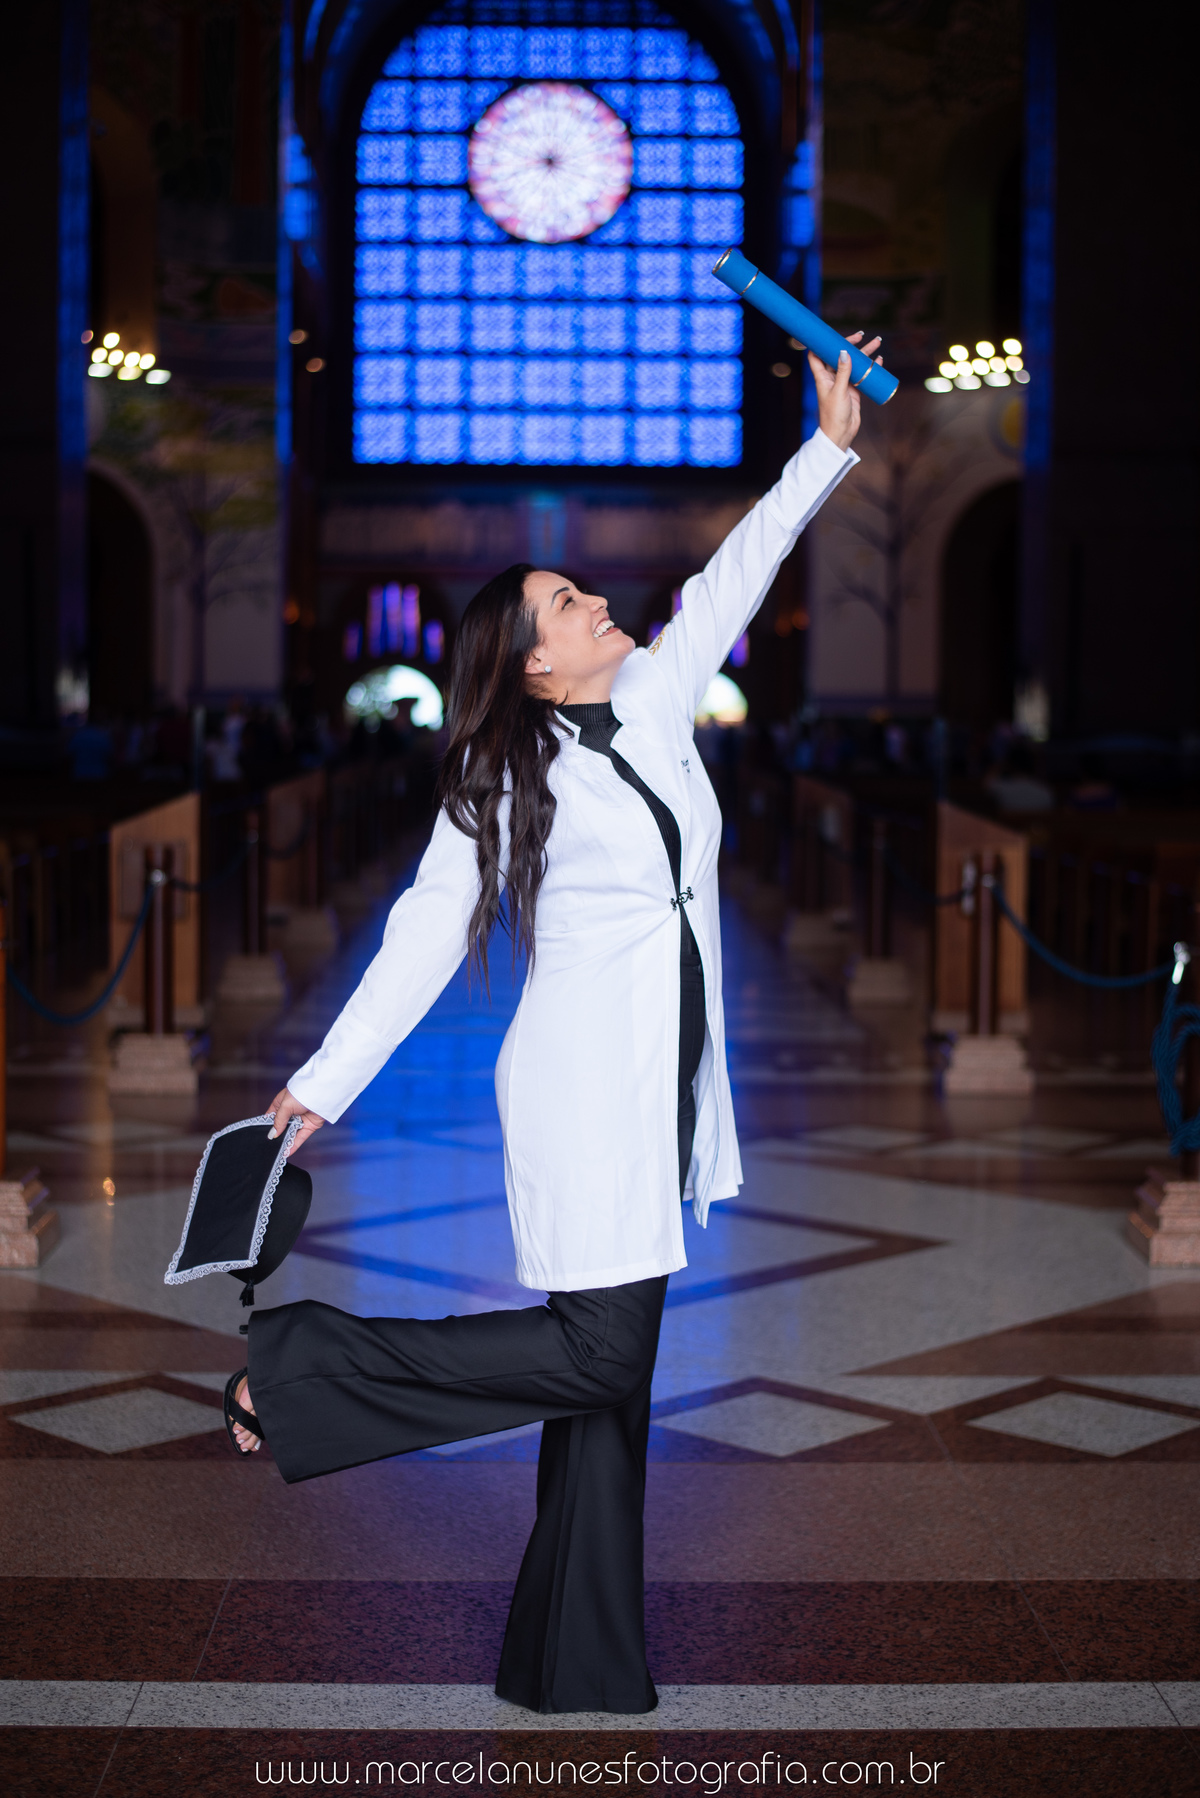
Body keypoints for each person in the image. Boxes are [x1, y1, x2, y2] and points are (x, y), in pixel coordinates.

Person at [224, 340, 876, 1714]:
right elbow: (421, 935)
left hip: (663, 1083)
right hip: (580, 1093)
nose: (600, 604)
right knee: (600, 1355)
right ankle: (301, 1367)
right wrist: (322, 1084)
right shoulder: (493, 779)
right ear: (531, 664)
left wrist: (824, 444)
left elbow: (737, 570)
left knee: (607, 1397)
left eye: (586, 593)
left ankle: (571, 1660)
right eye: (571, 604)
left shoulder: (653, 695)